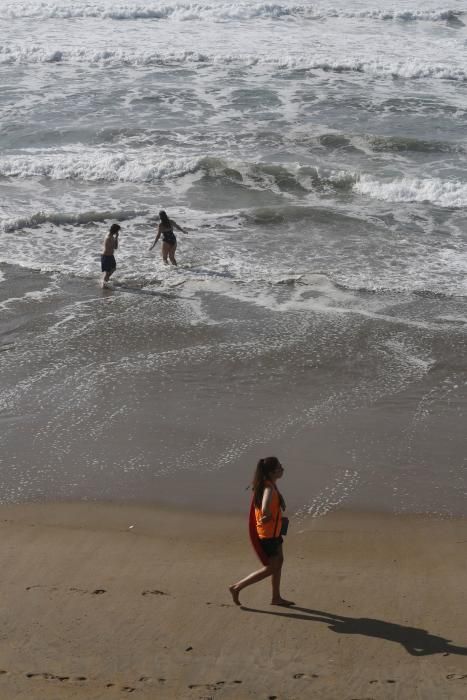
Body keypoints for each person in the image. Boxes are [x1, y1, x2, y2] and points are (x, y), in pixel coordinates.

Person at [229, 457, 294, 607]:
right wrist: (267, 515)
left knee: (279, 562)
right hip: (268, 535)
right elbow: (265, 508)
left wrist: (278, 518)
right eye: (279, 467)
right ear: (272, 472)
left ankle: (276, 597)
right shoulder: (268, 488)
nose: (282, 469)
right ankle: (237, 587)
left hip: (274, 532)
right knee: (272, 567)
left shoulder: (269, 485)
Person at [101, 223, 120, 287]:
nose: (118, 232)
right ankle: (104, 284)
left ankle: (105, 281)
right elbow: (114, 246)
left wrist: (116, 237)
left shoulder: (112, 236)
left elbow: (115, 247)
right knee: (108, 272)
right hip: (106, 257)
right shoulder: (109, 237)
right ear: (115, 230)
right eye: (117, 230)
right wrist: (115, 238)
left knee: (113, 268)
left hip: (110, 256)